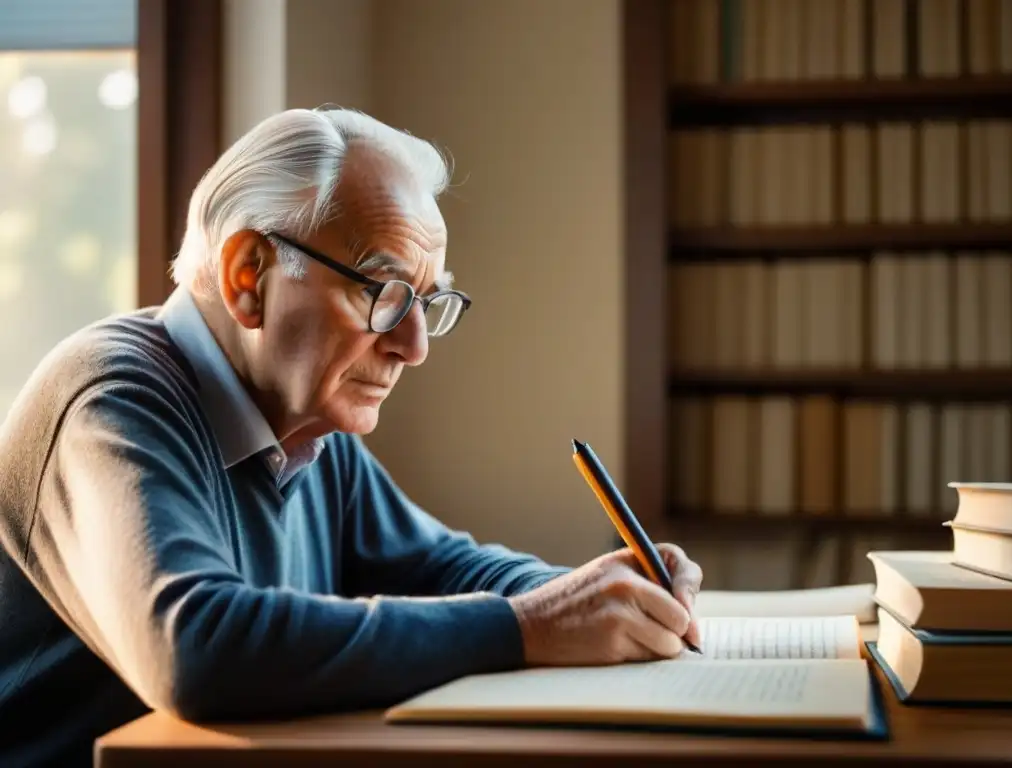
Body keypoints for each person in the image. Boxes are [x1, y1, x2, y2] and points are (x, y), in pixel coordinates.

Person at [0, 107, 703, 767]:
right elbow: (194, 646)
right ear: (250, 276)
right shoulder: (112, 397)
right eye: (384, 292)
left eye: (428, 302)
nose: (414, 344)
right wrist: (529, 625)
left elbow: (446, 570)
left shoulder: (307, 428)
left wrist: (596, 594)